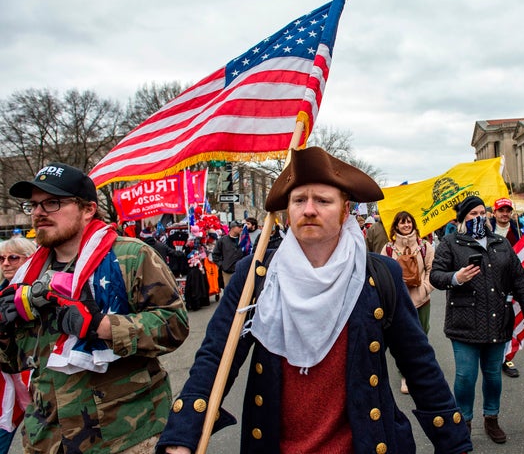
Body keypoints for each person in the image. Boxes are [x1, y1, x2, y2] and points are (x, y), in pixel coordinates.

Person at [157, 147, 472, 454]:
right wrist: (181, 437)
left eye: (322, 200)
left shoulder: (379, 275)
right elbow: (215, 357)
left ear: (345, 210)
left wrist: (454, 443)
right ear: (288, 211)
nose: (309, 209)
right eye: (299, 200)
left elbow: (419, 365)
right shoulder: (256, 275)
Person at [1, 162, 189, 453]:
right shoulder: (27, 275)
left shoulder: (131, 257)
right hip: (47, 437)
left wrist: (101, 326)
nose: (39, 213)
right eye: (34, 205)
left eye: (52, 203)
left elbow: (175, 325)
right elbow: (17, 361)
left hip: (123, 434)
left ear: (88, 209)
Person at [430, 195, 524, 444]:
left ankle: (492, 417)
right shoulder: (450, 242)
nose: (479, 218)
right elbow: (436, 275)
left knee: (493, 375)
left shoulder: (500, 243)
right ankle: (463, 420)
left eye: (481, 213)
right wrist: (457, 277)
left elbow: (519, 279)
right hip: (464, 321)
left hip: (497, 319)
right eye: (473, 214)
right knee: (466, 376)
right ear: (463, 218)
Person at [382, 211, 435, 394]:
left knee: (421, 337)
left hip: (422, 300)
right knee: (402, 340)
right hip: (399, 301)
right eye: (402, 223)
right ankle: (405, 375)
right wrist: (392, 293)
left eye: (409, 222)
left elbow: (432, 270)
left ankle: (421, 373)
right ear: (396, 226)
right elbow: (383, 273)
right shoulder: (388, 248)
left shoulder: (425, 246)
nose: (406, 226)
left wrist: (425, 289)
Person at [0, 238, 36, 454]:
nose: (5, 263)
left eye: (13, 257)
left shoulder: (40, 291)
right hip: (8, 389)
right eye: (2, 258)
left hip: (38, 386)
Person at [489, 197, 523, 378]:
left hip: (509, 284)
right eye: (501, 210)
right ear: (494, 213)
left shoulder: (516, 231)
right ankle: (491, 355)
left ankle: (507, 357)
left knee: (510, 320)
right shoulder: (487, 230)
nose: (504, 214)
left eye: (507, 211)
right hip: (489, 284)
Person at [212, 220, 247, 287]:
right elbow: (215, 255)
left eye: (242, 227)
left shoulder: (243, 240)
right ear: (232, 228)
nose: (241, 229)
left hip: (241, 270)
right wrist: (223, 265)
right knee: (229, 291)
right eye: (239, 227)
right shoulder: (222, 240)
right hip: (228, 272)